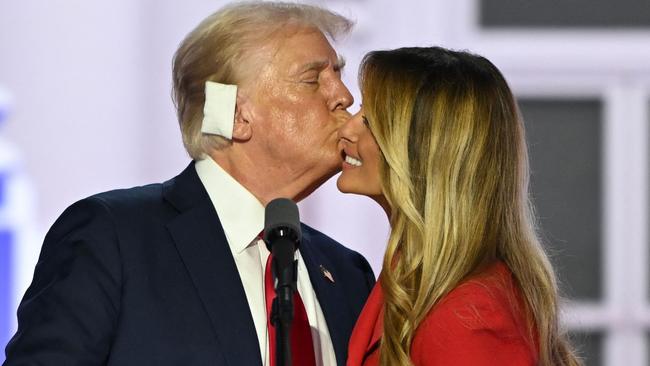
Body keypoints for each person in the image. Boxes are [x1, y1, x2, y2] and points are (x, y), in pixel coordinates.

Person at [3, 2, 375, 366]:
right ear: (235, 115)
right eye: (313, 79)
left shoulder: (347, 274)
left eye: (339, 75)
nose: (344, 97)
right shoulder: (112, 238)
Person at [338, 47, 581, 365]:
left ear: (427, 151)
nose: (347, 129)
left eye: (370, 120)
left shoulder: (468, 316)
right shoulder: (419, 283)